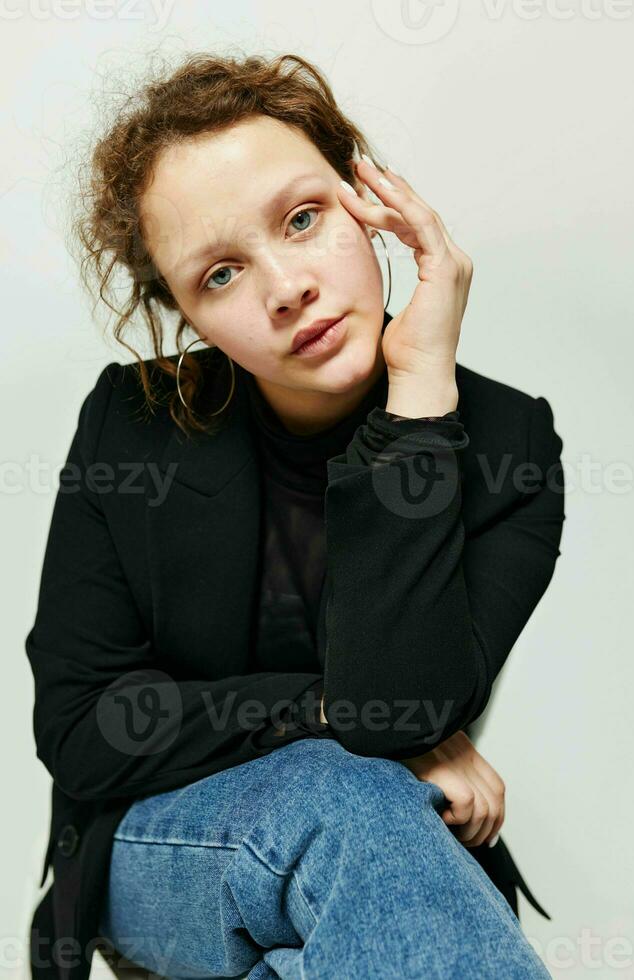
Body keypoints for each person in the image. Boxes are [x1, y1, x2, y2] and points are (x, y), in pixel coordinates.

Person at [26, 51, 564, 979]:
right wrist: (322, 713)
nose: (286, 288)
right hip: (161, 853)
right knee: (346, 794)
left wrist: (420, 396)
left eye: (304, 219)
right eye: (222, 274)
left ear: (370, 198)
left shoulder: (507, 445)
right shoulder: (135, 424)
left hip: (374, 868)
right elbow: (81, 730)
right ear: (188, 315)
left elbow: (414, 699)